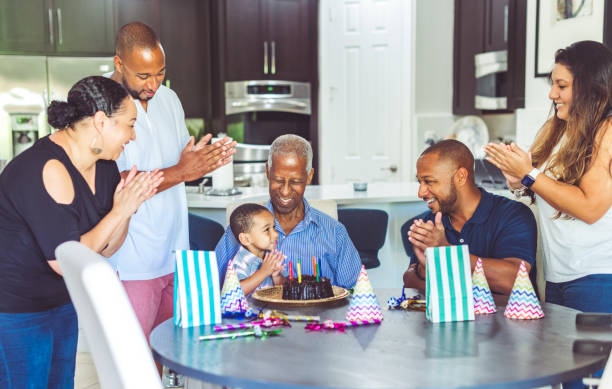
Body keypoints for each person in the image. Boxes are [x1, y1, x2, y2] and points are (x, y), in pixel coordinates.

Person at [0, 76, 162, 388]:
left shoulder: (104, 166)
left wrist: (126, 210)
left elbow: (107, 247)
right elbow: (66, 260)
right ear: (101, 121)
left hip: (62, 300)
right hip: (15, 309)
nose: (132, 136)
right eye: (129, 124)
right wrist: (118, 211)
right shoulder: (49, 168)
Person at [107, 22, 236, 343]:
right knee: (133, 363)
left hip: (176, 255)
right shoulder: (102, 106)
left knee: (172, 356)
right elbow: (114, 184)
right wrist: (182, 171)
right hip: (133, 263)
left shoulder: (169, 99)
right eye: (143, 76)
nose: (153, 84)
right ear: (119, 63)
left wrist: (206, 159)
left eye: (160, 73)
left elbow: (181, 159)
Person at [485, 40, 612, 312]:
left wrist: (529, 174)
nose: (552, 94)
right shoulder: (557, 129)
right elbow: (545, 190)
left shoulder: (607, 130)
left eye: (562, 86)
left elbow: (589, 208)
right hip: (557, 276)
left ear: (591, 87)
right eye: (552, 85)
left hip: (599, 278)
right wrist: (519, 182)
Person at [216, 134, 362, 289]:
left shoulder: (334, 232)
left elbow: (356, 292)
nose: (285, 192)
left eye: (295, 181)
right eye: (278, 180)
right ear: (267, 171)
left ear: (309, 176)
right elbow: (212, 288)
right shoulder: (242, 228)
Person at [403, 139, 537, 296]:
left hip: (506, 320)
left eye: (429, 182)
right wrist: (424, 269)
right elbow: (410, 280)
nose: (421, 193)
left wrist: (445, 253)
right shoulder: (430, 221)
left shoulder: (512, 214)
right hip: (451, 318)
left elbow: (514, 280)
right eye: (420, 182)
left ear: (461, 176)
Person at [229, 203, 286, 295]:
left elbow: (285, 288)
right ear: (246, 239)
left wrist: (277, 276)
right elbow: (235, 292)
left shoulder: (271, 257)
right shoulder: (240, 262)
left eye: (274, 227)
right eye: (267, 229)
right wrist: (263, 272)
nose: (276, 234)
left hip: (272, 309)